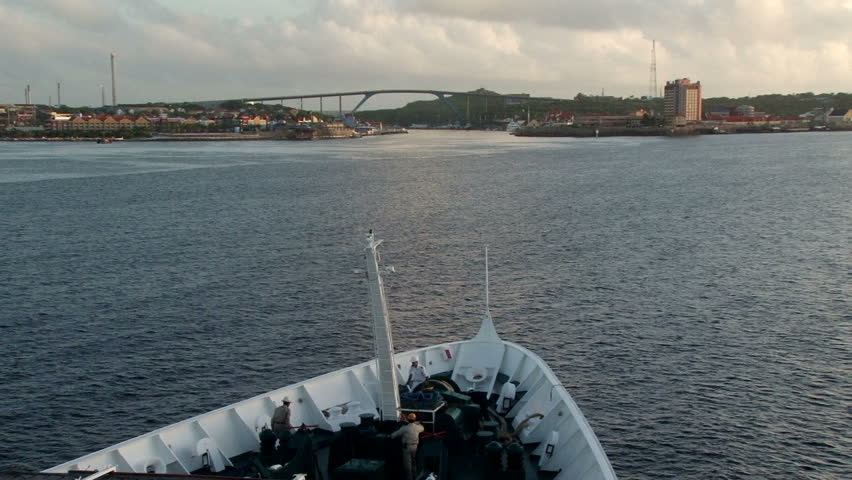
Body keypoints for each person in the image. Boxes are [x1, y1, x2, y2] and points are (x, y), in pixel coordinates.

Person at [391, 413, 424, 480]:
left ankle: (410, 478)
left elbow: (393, 435)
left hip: (407, 448)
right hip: (415, 447)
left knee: (407, 465)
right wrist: (417, 423)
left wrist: (389, 436)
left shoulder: (404, 428)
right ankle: (415, 476)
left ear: (407, 419)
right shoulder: (417, 427)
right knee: (414, 462)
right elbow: (422, 428)